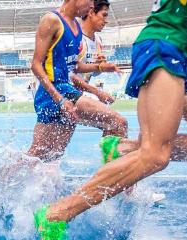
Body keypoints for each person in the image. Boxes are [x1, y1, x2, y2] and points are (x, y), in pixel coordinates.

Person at [33, 0, 187, 240]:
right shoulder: (54, 21)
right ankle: (55, 215)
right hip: (162, 46)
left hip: (180, 51)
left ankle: (123, 149)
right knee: (155, 155)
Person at [19, 0, 126, 168]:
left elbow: (75, 66)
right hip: (55, 92)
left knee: (44, 154)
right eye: (90, 1)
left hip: (65, 92)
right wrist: (60, 100)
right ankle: (115, 183)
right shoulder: (51, 20)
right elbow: (36, 64)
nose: (91, 6)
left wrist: (101, 67)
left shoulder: (76, 28)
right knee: (118, 122)